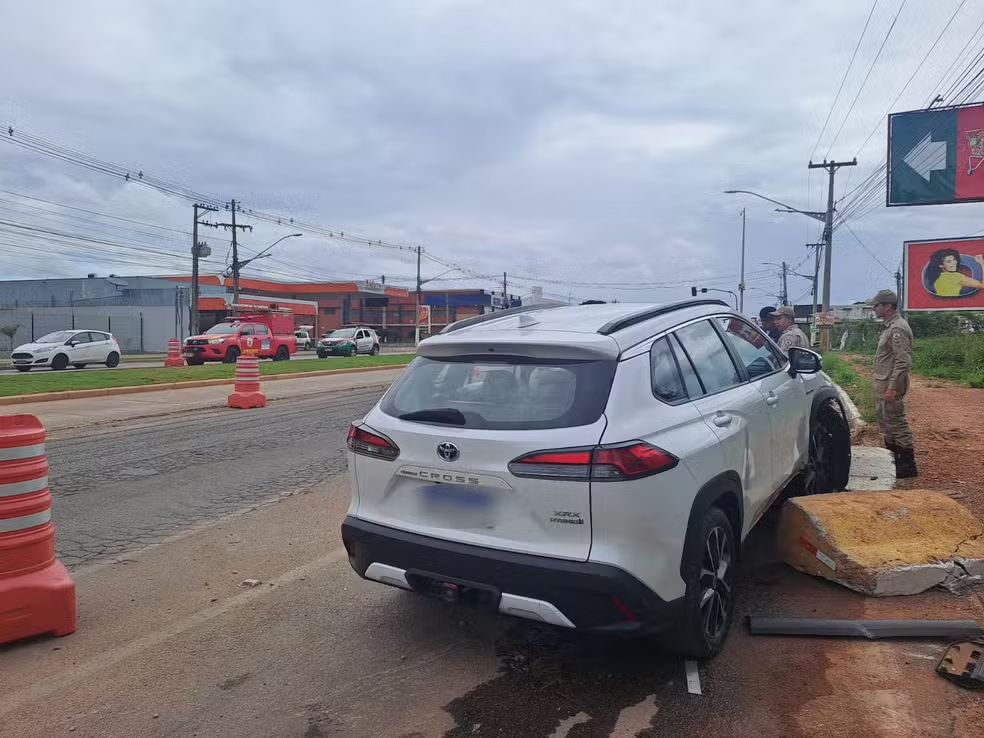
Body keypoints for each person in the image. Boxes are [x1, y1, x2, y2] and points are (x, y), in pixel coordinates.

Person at [868, 289, 917, 478]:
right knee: (886, 421)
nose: (874, 309)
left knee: (896, 423)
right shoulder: (889, 327)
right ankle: (894, 460)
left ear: (887, 306)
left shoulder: (897, 328)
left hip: (890, 385)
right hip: (883, 384)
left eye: (876, 305)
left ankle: (907, 466)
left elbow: (903, 361)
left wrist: (892, 387)